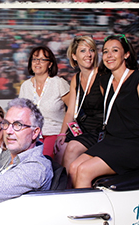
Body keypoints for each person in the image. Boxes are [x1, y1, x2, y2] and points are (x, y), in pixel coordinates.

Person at [69, 34, 139, 188]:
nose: (109, 55)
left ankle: (86, 212)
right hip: (112, 140)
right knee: (73, 167)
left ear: (126, 54)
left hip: (135, 144)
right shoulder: (104, 82)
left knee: (85, 170)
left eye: (115, 50)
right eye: (105, 52)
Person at [53, 36, 105, 171]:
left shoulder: (102, 76)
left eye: (91, 50)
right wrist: (62, 133)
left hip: (100, 128)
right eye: (83, 51)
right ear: (74, 56)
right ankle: (59, 187)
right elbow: (70, 111)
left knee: (72, 148)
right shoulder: (76, 78)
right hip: (83, 126)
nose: (88, 54)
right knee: (60, 148)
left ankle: (68, 190)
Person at [19, 45, 69, 160]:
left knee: (42, 161)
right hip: (32, 136)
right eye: (35, 59)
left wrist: (63, 134)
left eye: (42, 59)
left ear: (50, 64)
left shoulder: (59, 83)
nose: (38, 62)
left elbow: (73, 110)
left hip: (54, 133)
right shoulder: (25, 86)